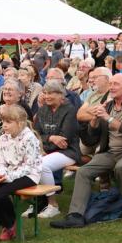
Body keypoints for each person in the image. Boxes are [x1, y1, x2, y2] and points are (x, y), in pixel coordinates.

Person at [56, 68, 122, 228]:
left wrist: (108, 118)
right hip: (110, 152)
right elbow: (91, 138)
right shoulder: (108, 105)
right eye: (110, 84)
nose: (111, 87)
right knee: (83, 172)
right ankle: (75, 215)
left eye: (116, 84)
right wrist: (94, 119)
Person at [0, 104, 44, 242]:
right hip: (8, 174)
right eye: (3, 121)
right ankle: (7, 224)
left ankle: (10, 225)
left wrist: (7, 177)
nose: (4, 125)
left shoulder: (29, 138)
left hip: (29, 175)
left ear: (20, 123)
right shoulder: (4, 137)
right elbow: (0, 161)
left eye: (8, 122)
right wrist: (1, 174)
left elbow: (28, 166)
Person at [31, 82, 80, 219]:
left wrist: (46, 144)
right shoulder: (42, 110)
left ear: (61, 95)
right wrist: (51, 138)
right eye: (45, 93)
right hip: (46, 150)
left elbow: (65, 138)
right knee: (30, 162)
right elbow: (36, 134)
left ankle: (53, 205)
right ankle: (37, 202)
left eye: (51, 93)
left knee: (42, 165)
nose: (47, 96)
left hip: (68, 152)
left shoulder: (70, 110)